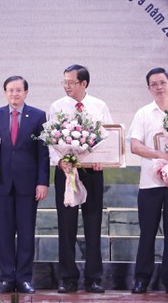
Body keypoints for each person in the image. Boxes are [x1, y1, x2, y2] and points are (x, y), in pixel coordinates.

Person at [0, 76, 49, 295]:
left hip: (28, 185)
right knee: (4, 234)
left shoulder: (38, 116)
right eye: (10, 90)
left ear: (26, 92)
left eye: (19, 90)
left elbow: (43, 153)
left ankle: (24, 278)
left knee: (26, 234)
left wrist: (42, 182)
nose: (14, 94)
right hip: (1, 185)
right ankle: (6, 278)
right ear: (5, 92)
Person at [128, 68, 168, 296]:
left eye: (162, 82)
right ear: (149, 88)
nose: (159, 87)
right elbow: (135, 146)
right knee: (147, 232)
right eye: (154, 84)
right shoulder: (144, 113)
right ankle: (141, 280)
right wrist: (161, 155)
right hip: (150, 182)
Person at [49, 64, 113, 293]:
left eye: (71, 82)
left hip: (92, 172)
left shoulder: (99, 106)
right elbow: (50, 141)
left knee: (93, 223)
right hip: (65, 171)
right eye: (65, 82)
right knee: (66, 225)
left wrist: (103, 159)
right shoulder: (57, 107)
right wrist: (60, 161)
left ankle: (94, 278)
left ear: (84, 83)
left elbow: (108, 138)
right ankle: (67, 278)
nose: (67, 86)